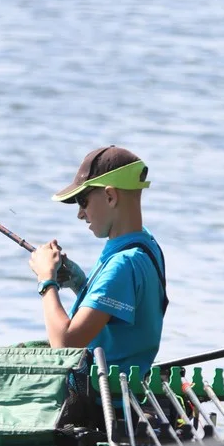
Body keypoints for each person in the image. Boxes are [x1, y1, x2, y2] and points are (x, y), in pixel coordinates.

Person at [27, 145, 168, 376]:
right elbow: (118, 318)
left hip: (105, 397)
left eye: (83, 201)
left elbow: (64, 346)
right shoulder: (145, 244)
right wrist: (80, 283)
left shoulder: (123, 264)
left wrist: (46, 282)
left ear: (110, 196)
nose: (80, 214)